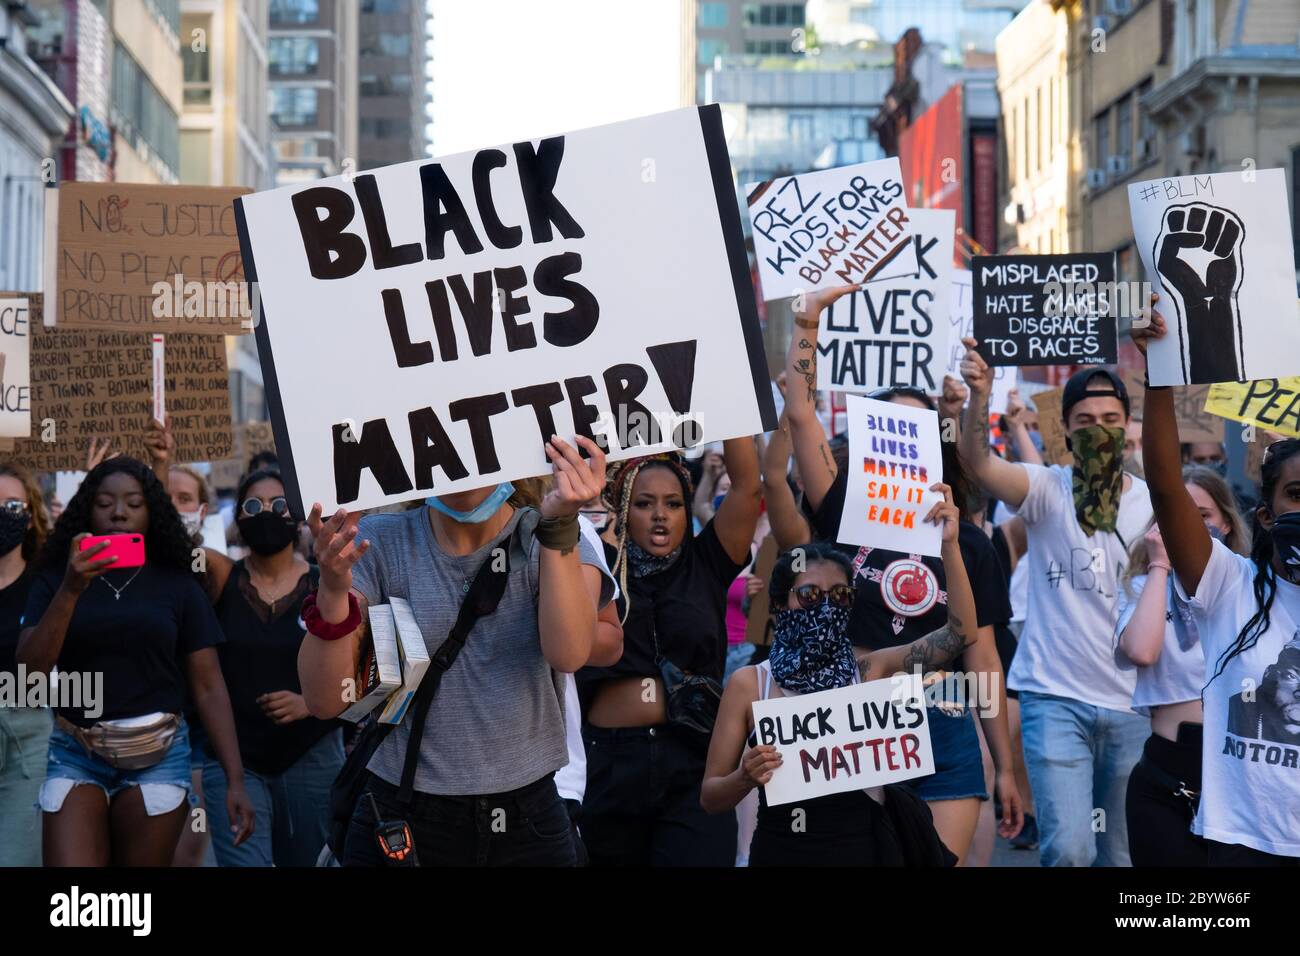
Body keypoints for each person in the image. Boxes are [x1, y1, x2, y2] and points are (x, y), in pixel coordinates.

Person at [785, 289, 1023, 863]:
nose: (904, 446)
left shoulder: (968, 542)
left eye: (918, 432)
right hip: (855, 717)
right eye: (891, 430)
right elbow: (799, 413)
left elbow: (982, 657)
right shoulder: (843, 510)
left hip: (943, 723)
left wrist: (1005, 768)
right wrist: (808, 319)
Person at [299, 436, 615, 867]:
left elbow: (569, 653)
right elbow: (326, 698)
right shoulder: (378, 543)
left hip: (528, 819)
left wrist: (559, 524)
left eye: (476, 442)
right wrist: (333, 591)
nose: (461, 461)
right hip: (404, 817)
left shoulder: (556, 534)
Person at [959, 336, 1152, 867]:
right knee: (1068, 849)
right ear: (1065, 429)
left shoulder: (1156, 505)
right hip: (1054, 699)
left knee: (1120, 855)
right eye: (1085, 422)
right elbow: (977, 464)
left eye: (1111, 419)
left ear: (1129, 428)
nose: (1100, 431)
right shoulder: (1045, 488)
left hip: (1133, 704)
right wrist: (982, 395)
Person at [702, 496, 976, 867]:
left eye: (840, 596)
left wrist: (949, 548)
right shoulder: (750, 684)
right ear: (781, 604)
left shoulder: (868, 670)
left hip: (865, 848)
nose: (826, 607)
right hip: (784, 852)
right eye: (810, 595)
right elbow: (711, 795)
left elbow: (959, 635)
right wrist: (744, 777)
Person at [16, 457, 254, 866]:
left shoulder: (178, 584)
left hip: (158, 756)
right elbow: (30, 672)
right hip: (76, 752)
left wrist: (235, 779)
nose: (119, 513)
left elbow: (209, 685)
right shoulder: (56, 578)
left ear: (152, 513)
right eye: (105, 503)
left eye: (133, 503)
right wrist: (72, 589)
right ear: (86, 509)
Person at [1137, 305, 1300, 865]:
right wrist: (1158, 371)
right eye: (1296, 496)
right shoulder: (1230, 584)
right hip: (1241, 844)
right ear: (1265, 514)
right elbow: (1164, 485)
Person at [577, 437, 761, 867]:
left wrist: (733, 398)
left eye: (674, 504)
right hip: (610, 765)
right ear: (622, 510)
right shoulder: (592, 564)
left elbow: (748, 486)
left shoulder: (709, 560)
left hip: (695, 761)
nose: (660, 515)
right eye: (644, 503)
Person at [1116, 465, 1249, 866]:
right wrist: (1160, 566)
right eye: (1175, 513)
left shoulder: (1249, 587)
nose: (1186, 524)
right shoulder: (1141, 588)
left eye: (1202, 515)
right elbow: (1141, 651)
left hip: (1235, 774)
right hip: (1166, 773)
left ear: (1226, 523)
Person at [0, 463, 53, 866]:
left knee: (18, 853)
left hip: (29, 732)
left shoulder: (48, 584)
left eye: (13, 505)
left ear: (32, 516)